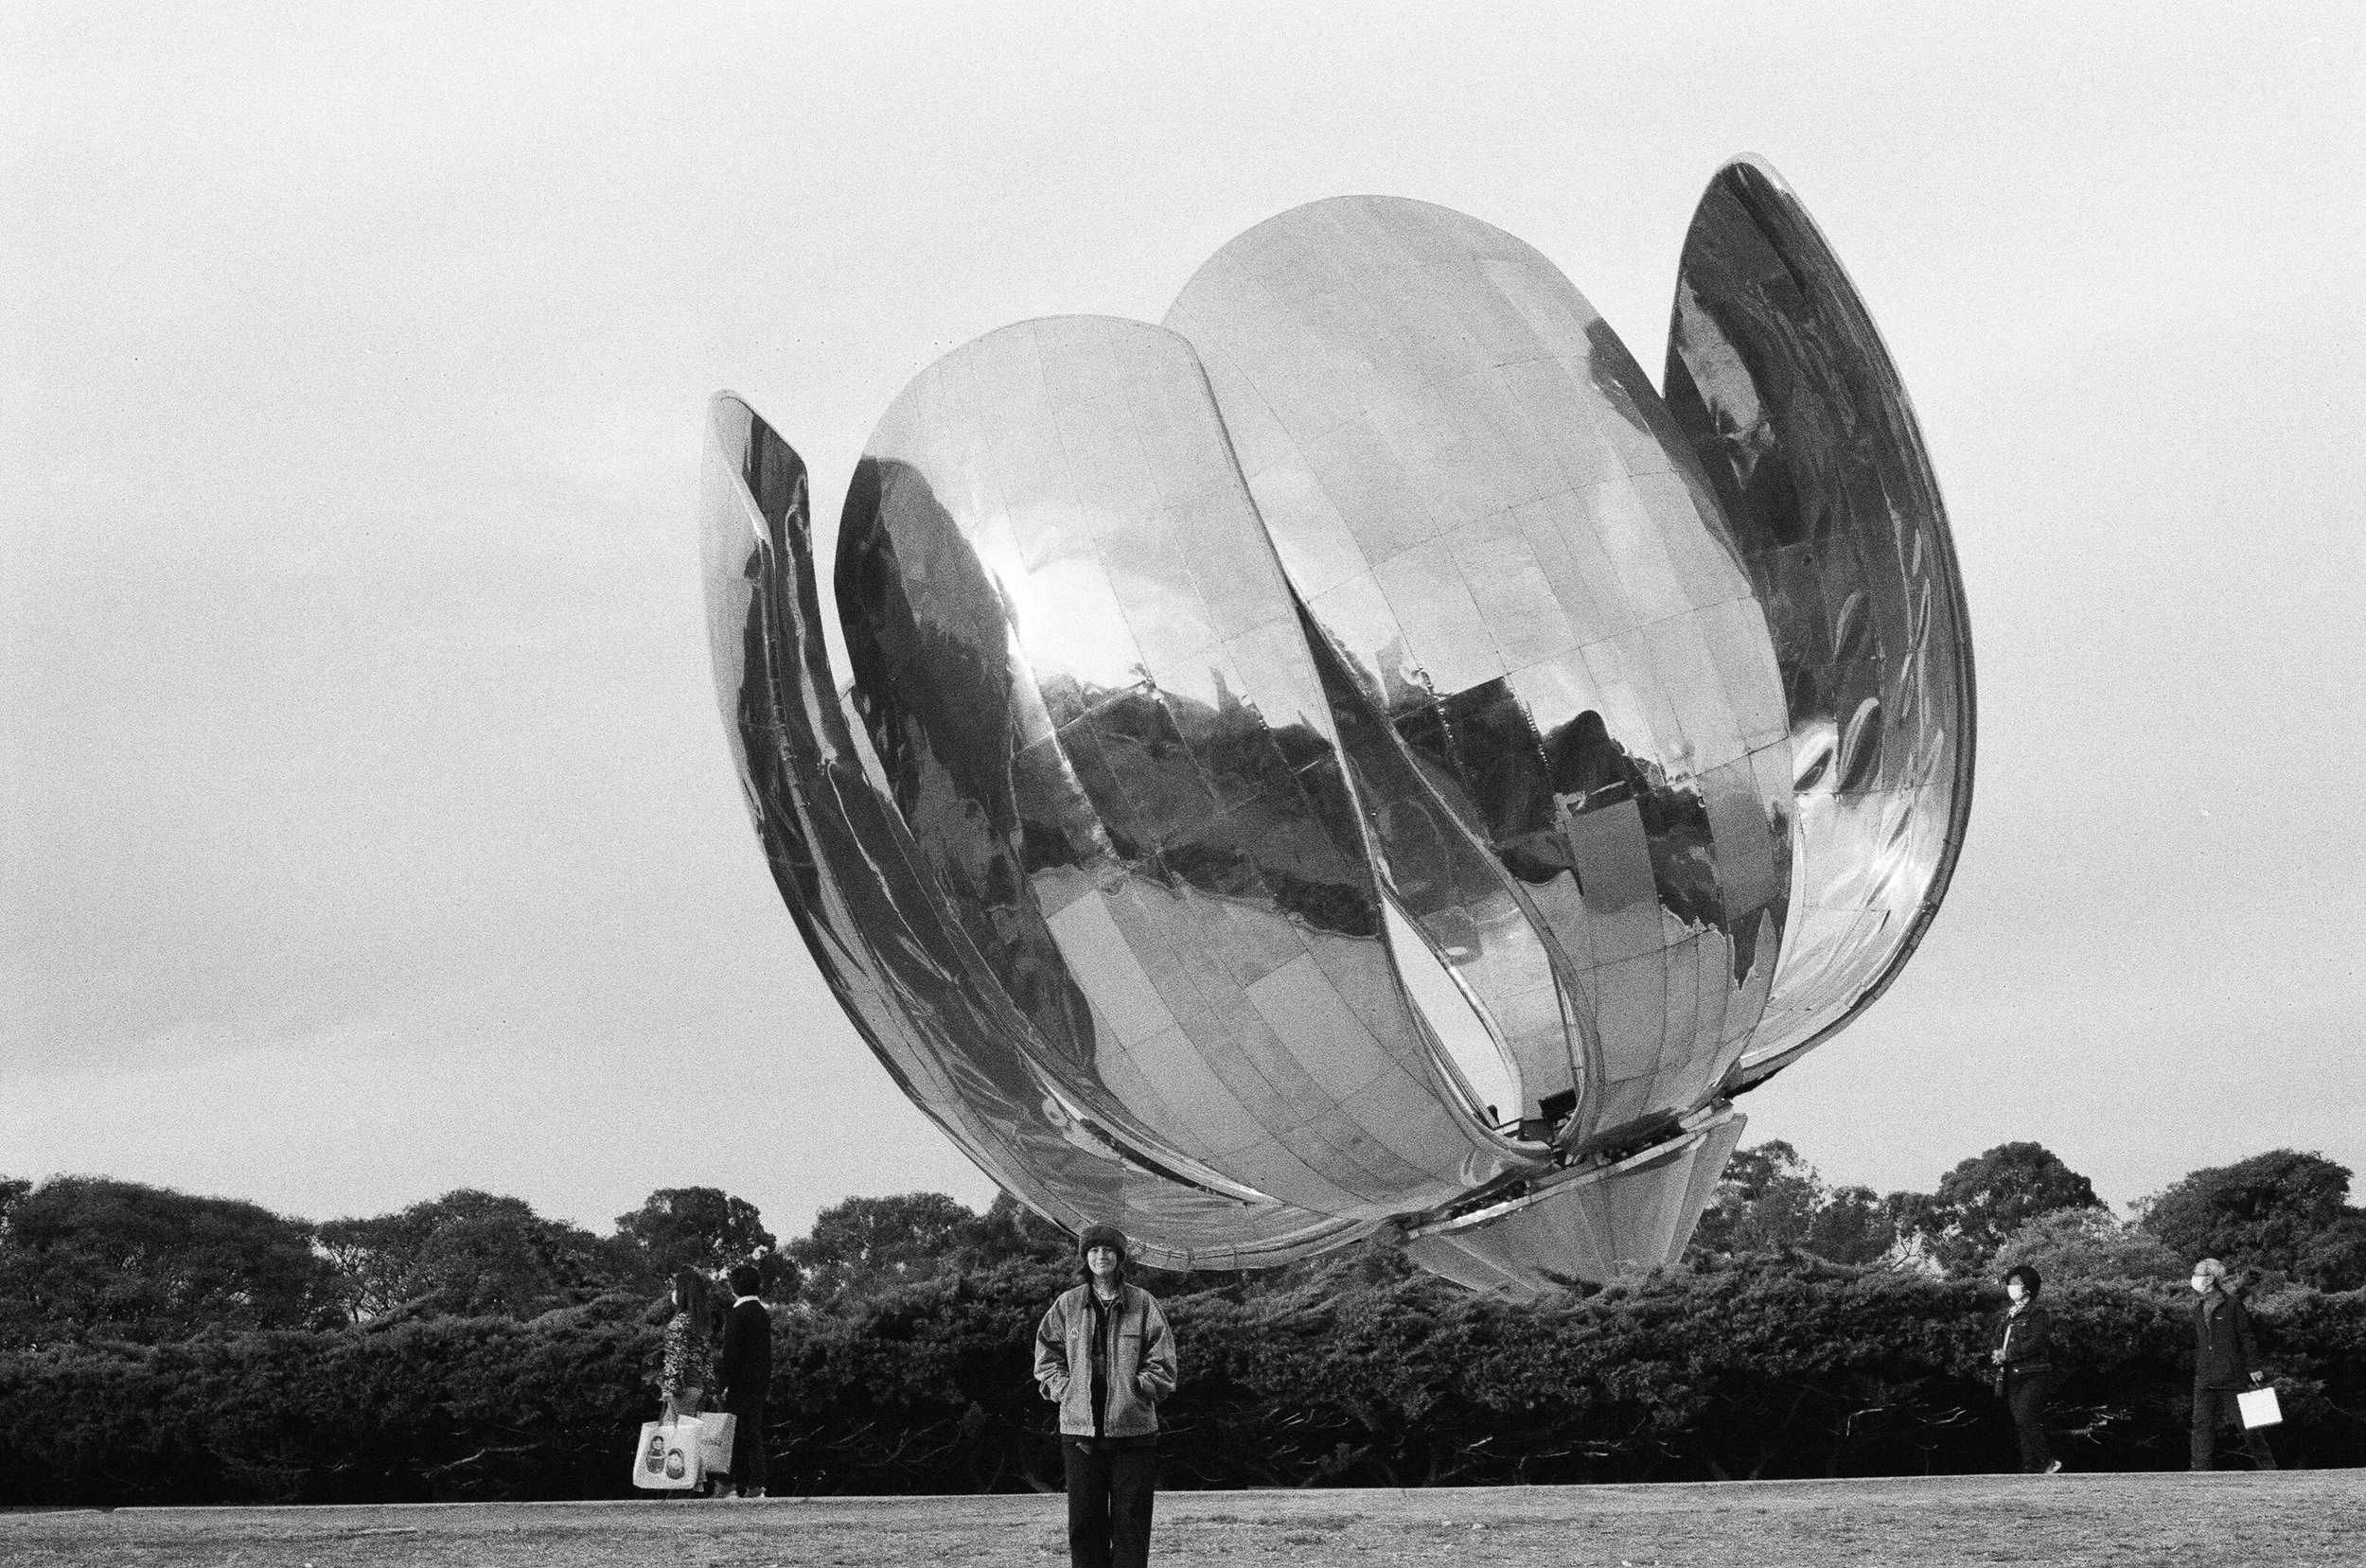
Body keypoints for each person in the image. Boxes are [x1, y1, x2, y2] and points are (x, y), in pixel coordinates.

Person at [1034, 1223, 1178, 1568]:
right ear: (1085, 1257)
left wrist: (1140, 1389)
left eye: (1109, 1250)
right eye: (1094, 1250)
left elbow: (1163, 1359)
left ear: (1120, 1257)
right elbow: (1046, 1357)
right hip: (1080, 1431)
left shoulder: (1143, 1302)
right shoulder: (1067, 1304)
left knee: (1131, 1523)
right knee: (1086, 1523)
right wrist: (1066, 1389)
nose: (1101, 1256)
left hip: (1134, 1430)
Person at [2188, 1258, 2276, 1471]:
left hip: (2230, 1374)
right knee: (2201, 1425)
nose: (2195, 1278)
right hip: (2205, 1375)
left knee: (2247, 1424)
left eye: (2199, 1274)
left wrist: (2253, 1367)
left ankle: (2267, 1466)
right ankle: (2199, 1470)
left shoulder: (2232, 1305)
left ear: (2211, 1278)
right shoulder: (2197, 1306)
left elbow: (2246, 1337)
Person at [1988, 1263, 2062, 1473]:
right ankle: (2031, 1466)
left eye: (2016, 1283)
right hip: (2012, 1374)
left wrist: (2009, 1354)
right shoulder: (2008, 1314)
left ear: (2028, 1287)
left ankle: (2047, 1461)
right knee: (2021, 1422)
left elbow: (2037, 1341)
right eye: (2010, 1283)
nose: (2011, 1287)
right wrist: (1996, 1353)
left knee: (2025, 1416)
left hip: (2034, 1373)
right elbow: (1997, 1339)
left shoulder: (2037, 1312)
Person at [715, 1263, 773, 1499]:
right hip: (758, 1383)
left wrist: (721, 1385)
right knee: (752, 1433)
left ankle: (728, 1482)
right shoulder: (762, 1313)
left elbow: (731, 1354)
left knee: (730, 1434)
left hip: (738, 1385)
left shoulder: (736, 1314)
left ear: (734, 1287)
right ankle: (757, 1483)